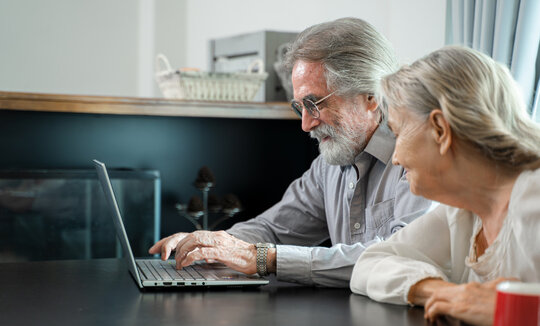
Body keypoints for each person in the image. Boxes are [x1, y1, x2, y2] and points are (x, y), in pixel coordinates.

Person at [149, 17, 432, 287]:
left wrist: (264, 258)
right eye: (299, 107)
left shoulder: (421, 156)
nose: (306, 123)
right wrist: (210, 244)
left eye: (315, 104)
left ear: (372, 97)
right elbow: (274, 230)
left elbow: (398, 256)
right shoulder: (330, 163)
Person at [350, 46, 540, 326]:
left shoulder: (533, 198)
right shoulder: (463, 212)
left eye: (399, 133)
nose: (396, 157)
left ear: (440, 129)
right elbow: (369, 265)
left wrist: (510, 312)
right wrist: (446, 292)